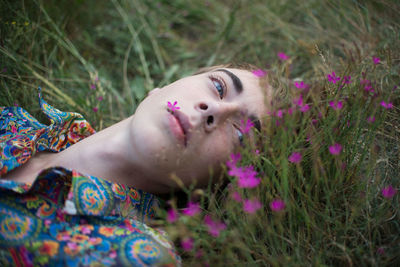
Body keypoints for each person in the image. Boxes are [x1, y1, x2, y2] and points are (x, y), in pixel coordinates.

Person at [0, 66, 268, 266]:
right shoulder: (13, 122)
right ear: (165, 85)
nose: (213, 109)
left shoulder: (136, 255)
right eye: (219, 87)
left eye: (241, 133)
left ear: (222, 181)